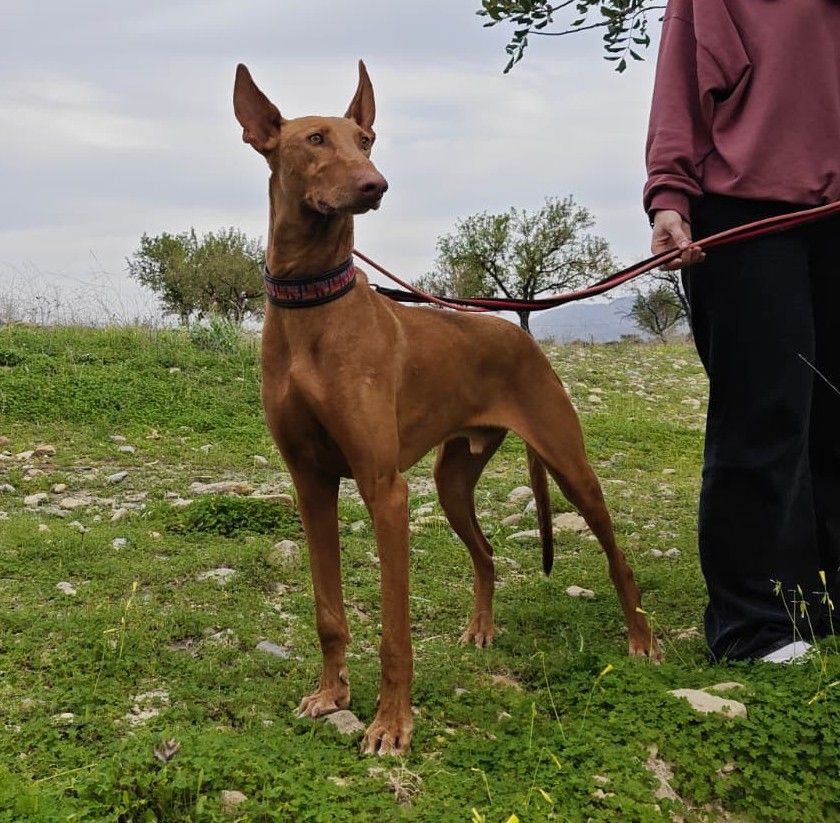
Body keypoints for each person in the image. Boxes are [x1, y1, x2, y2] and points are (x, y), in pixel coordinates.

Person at [644, 0, 840, 662]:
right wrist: (669, 197)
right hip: (744, 214)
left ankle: (826, 599)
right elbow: (679, 86)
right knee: (766, 411)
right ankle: (755, 623)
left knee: (834, 412)